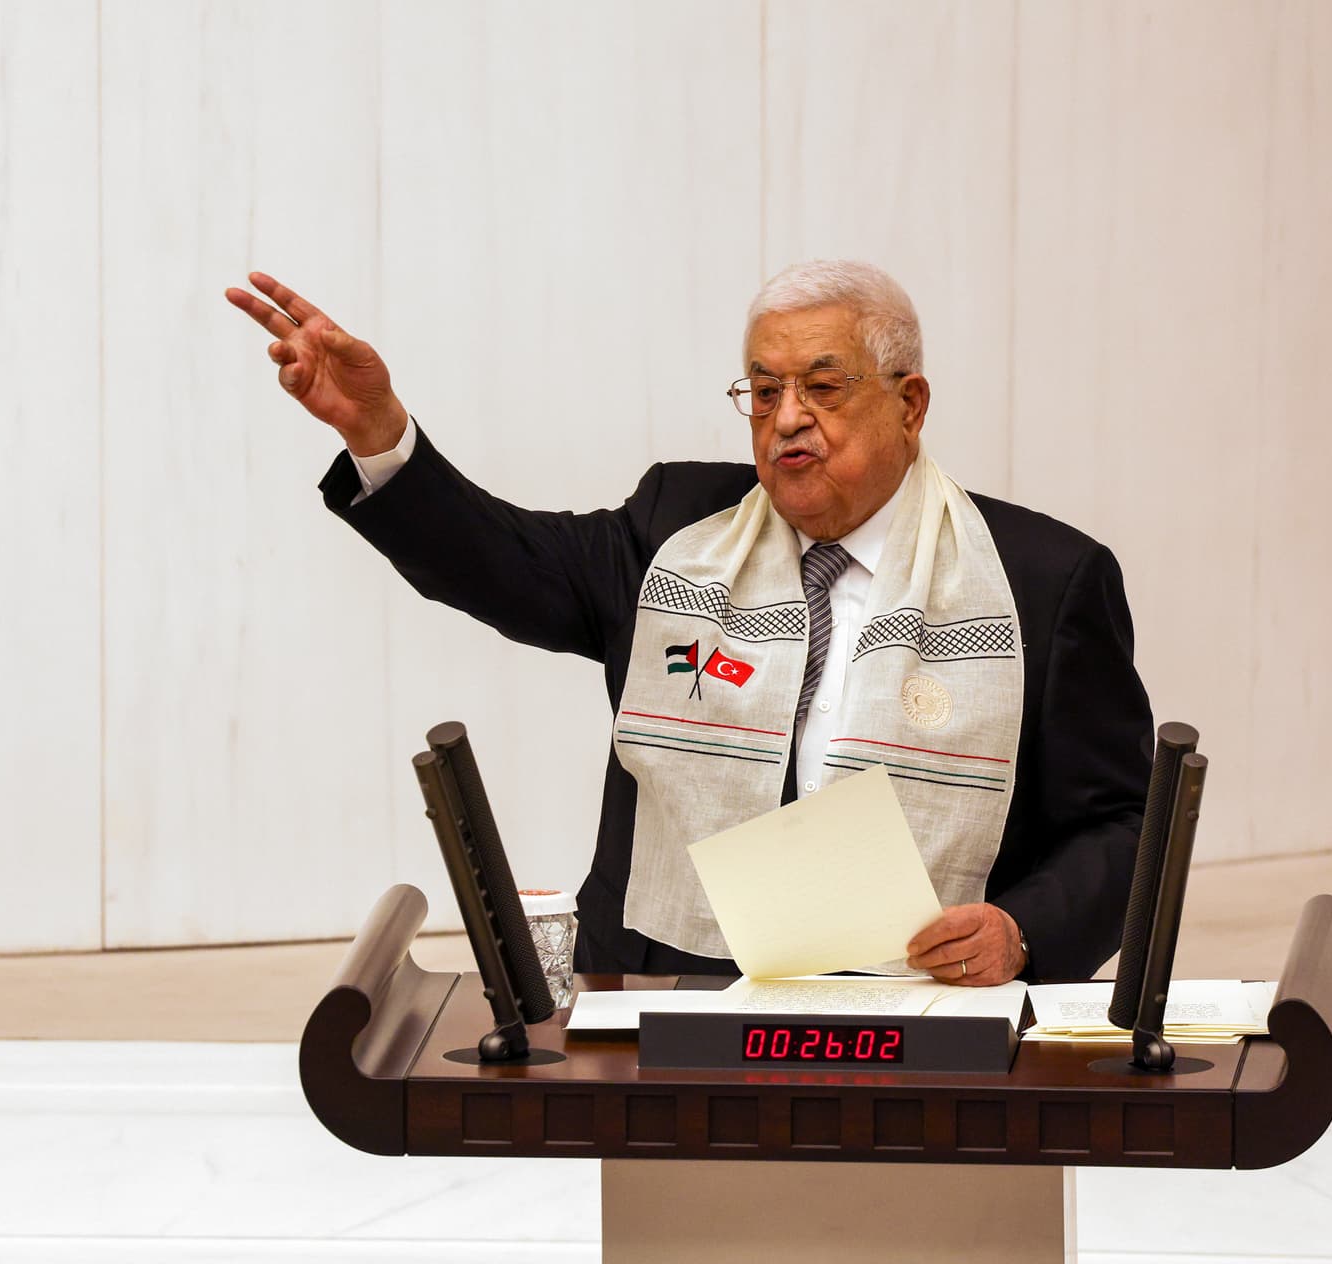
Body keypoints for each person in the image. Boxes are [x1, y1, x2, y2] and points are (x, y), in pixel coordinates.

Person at [225, 260, 1152, 985]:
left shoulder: (1041, 580)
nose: (788, 421)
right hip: (671, 993)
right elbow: (502, 564)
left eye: (824, 389)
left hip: (925, 1003)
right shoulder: (679, 534)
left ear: (909, 403)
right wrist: (379, 431)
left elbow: (1121, 825)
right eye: (763, 390)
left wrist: (1023, 932)